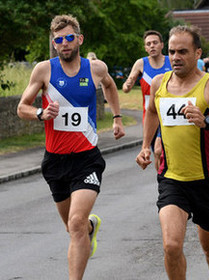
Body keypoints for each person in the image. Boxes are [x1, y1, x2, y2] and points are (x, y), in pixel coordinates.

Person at [136, 25, 209, 280]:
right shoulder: (159, 82)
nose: (176, 57)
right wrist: (147, 145)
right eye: (171, 52)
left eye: (182, 51)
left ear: (198, 53)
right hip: (172, 179)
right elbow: (153, 112)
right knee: (171, 245)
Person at [17, 15, 125, 280]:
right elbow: (22, 108)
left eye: (68, 38)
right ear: (54, 44)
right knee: (72, 226)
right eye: (58, 40)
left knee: (74, 223)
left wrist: (117, 117)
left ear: (79, 39)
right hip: (55, 161)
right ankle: (90, 227)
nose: (64, 44)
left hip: (87, 158)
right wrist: (41, 113)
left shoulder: (95, 68)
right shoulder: (44, 70)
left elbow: (110, 86)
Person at [122, 30, 171, 170]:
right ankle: (162, 180)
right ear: (145, 48)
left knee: (159, 150)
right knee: (157, 154)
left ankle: (170, 182)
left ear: (162, 45)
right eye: (148, 44)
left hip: (168, 113)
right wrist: (128, 84)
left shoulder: (170, 61)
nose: (152, 46)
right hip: (150, 116)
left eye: (155, 43)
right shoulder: (141, 63)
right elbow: (126, 87)